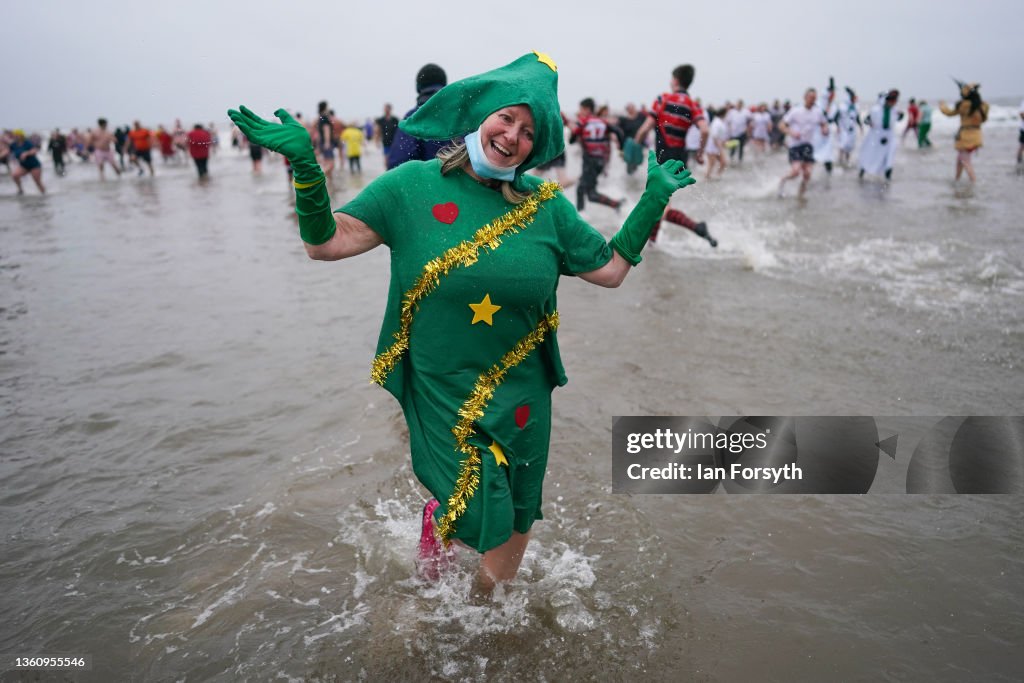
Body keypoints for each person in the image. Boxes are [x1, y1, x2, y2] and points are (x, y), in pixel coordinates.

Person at [228, 51, 695, 597]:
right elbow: (326, 242)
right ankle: (446, 535)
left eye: (528, 130)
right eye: (506, 118)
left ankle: (485, 608)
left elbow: (612, 270)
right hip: (445, 385)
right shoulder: (410, 188)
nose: (512, 135)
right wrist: (307, 171)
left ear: (534, 146)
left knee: (518, 510)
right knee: (483, 500)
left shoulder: (547, 207)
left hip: (523, 392)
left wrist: (653, 200)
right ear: (482, 115)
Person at [632, 64, 716, 247]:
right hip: (679, 161)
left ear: (676, 80)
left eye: (671, 79)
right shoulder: (693, 105)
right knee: (659, 203)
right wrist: (700, 154)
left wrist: (635, 144)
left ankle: (697, 227)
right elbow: (705, 129)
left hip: (662, 160)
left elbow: (645, 128)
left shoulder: (663, 99)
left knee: (658, 205)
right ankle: (652, 243)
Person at [386, 63, 450, 169]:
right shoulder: (464, 117)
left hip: (428, 184)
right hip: (464, 185)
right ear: (445, 86)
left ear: (418, 87)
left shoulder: (413, 118)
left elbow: (398, 165)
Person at [570, 97, 622, 212]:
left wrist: (573, 138)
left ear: (587, 109)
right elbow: (618, 132)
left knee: (590, 194)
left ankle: (617, 205)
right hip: (600, 161)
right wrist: (621, 148)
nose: (580, 112)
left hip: (589, 162)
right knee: (582, 189)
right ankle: (580, 216)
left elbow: (572, 138)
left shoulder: (584, 122)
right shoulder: (603, 122)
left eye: (581, 109)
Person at [777, 88, 829, 198]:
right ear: (805, 97)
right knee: (796, 172)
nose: (812, 100)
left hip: (808, 145)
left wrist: (824, 129)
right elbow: (781, 125)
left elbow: (823, 123)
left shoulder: (818, 112)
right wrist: (791, 132)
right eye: (811, 97)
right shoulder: (796, 111)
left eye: (814, 98)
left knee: (807, 174)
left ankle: (800, 196)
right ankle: (782, 181)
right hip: (795, 145)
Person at [939, 81, 989, 184]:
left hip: (965, 136)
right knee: (960, 159)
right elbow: (984, 120)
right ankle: (957, 180)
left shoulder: (964, 105)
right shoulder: (983, 106)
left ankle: (973, 182)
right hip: (977, 135)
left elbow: (949, 113)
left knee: (965, 161)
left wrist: (942, 105)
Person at [858, 90, 902, 182]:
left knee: (889, 157)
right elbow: (866, 120)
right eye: (892, 101)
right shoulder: (876, 110)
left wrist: (901, 115)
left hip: (889, 136)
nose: (894, 103)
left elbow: (898, 118)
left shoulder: (894, 110)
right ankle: (862, 173)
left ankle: (888, 178)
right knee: (870, 155)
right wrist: (871, 124)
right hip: (875, 136)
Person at [9, 129, 46, 194]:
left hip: (34, 165)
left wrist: (26, 153)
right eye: (15, 135)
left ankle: (44, 194)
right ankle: (20, 190)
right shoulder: (13, 144)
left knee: (37, 182)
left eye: (17, 135)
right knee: (14, 175)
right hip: (24, 166)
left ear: (21, 135)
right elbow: (7, 151)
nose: (16, 136)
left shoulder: (27, 142)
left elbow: (34, 150)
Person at [836, 87, 862, 168]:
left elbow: (857, 117)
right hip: (843, 129)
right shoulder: (842, 106)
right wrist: (838, 127)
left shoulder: (855, 107)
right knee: (842, 145)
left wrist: (861, 126)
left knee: (849, 146)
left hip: (852, 129)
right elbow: (836, 117)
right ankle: (840, 160)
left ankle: (847, 161)